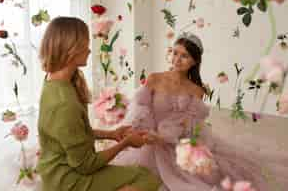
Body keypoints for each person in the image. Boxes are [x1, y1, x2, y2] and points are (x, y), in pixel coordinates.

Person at [113, 32, 288, 191]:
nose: (177, 59)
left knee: (209, 174)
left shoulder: (197, 90)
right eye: (174, 53)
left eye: (184, 56)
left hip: (176, 143)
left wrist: (163, 138)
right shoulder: (154, 79)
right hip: (147, 139)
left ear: (194, 62)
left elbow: (187, 126)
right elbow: (140, 110)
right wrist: (145, 134)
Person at [36, 16, 161, 191]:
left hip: (54, 173)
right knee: (146, 179)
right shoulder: (64, 103)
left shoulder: (53, 82)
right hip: (67, 181)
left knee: (140, 173)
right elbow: (86, 165)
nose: (89, 50)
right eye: (86, 44)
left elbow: (74, 134)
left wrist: (112, 134)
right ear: (71, 48)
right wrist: (125, 143)